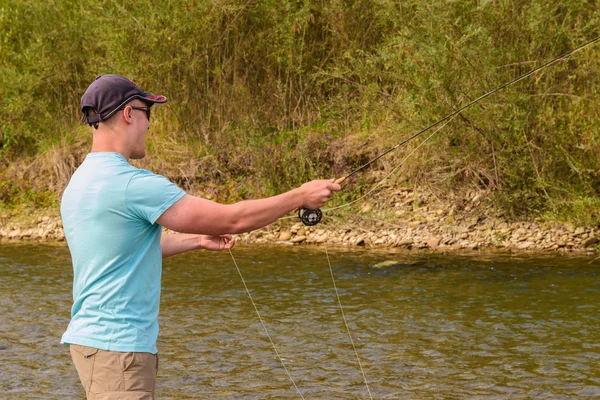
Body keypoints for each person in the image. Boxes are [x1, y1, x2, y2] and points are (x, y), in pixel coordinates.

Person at [61, 74, 341, 400]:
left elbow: (124, 249)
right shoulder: (132, 185)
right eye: (147, 113)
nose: (149, 125)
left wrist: (197, 240)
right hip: (119, 350)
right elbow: (233, 218)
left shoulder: (79, 183)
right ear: (128, 113)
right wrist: (300, 195)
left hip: (91, 345)